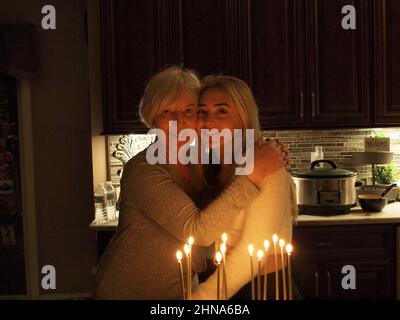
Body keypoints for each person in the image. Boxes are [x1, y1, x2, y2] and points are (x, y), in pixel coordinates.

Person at [93, 66, 286, 299]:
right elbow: (199, 230)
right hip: (127, 290)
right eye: (167, 111)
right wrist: (255, 174)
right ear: (151, 117)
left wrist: (271, 157)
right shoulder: (144, 170)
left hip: (178, 291)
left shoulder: (202, 162)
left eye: (189, 110)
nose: (178, 120)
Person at [191, 75, 298, 300]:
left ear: (243, 118)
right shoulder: (211, 170)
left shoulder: (270, 170)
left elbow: (250, 256)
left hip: (265, 290)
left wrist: (198, 299)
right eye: (202, 111)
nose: (208, 121)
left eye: (222, 111)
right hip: (224, 286)